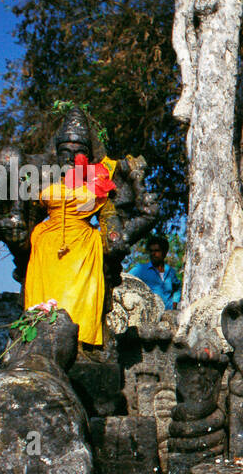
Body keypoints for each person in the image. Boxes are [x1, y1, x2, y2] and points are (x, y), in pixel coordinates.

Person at [24, 110, 116, 346]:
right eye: (66, 152)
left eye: (78, 153)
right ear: (56, 152)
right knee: (43, 308)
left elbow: (111, 219)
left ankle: (83, 347)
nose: (71, 158)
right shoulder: (43, 178)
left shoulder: (99, 179)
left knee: (79, 308)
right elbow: (27, 213)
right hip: (46, 247)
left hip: (83, 248)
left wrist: (114, 235)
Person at [130, 235, 180, 310]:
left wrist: (175, 303)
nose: (153, 253)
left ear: (164, 252)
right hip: (151, 315)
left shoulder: (170, 271)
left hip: (169, 316)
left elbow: (177, 288)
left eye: (157, 251)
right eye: (151, 251)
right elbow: (126, 279)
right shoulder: (140, 269)